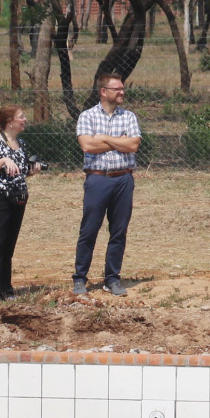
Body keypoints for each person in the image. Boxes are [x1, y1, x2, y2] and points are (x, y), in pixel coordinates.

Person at [74, 73, 140, 296]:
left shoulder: (129, 117)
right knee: (89, 230)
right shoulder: (87, 116)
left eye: (122, 88)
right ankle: (80, 278)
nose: (122, 92)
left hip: (123, 179)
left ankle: (112, 278)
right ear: (104, 92)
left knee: (118, 231)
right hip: (97, 179)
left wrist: (104, 138)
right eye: (117, 89)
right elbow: (87, 146)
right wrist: (118, 141)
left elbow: (133, 145)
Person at [0, 104, 44, 303]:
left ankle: (5, 290)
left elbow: (20, 172)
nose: (25, 120)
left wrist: (33, 170)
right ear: (10, 122)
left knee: (8, 246)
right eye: (21, 117)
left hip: (18, 198)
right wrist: (2, 160)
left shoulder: (20, 143)